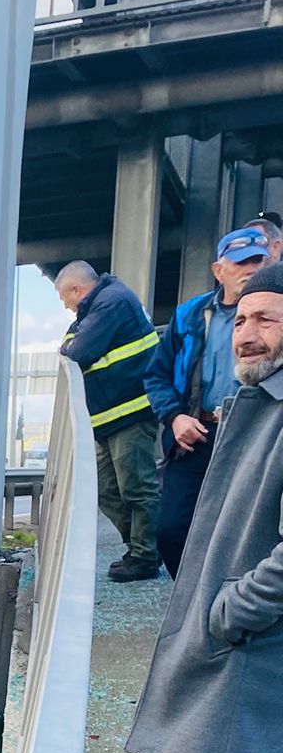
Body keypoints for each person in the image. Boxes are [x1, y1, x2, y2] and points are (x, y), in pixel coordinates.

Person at [125, 264, 283, 753]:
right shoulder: (257, 401)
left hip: (263, 651)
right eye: (242, 319)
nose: (247, 333)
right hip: (257, 645)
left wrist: (230, 610)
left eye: (267, 320)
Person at [145, 224, 271, 578]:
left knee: (246, 535)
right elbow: (156, 375)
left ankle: (232, 611)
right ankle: (192, 599)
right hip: (197, 435)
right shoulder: (189, 316)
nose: (251, 269)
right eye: (241, 262)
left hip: (254, 437)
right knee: (171, 531)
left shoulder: (276, 315)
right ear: (219, 270)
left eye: (259, 261)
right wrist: (174, 418)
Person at [56, 260, 161, 580]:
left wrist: (74, 341)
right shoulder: (98, 308)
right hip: (109, 418)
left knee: (136, 488)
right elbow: (67, 345)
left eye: (65, 300)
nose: (68, 308)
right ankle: (141, 547)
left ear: (77, 289)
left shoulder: (113, 301)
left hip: (130, 412)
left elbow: (76, 351)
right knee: (106, 489)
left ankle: (145, 555)